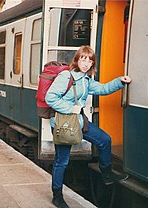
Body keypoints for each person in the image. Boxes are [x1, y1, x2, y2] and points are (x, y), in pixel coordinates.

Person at [45, 45, 132, 208]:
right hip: (63, 123)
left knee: (104, 140)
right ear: (77, 60)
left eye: (89, 60)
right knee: (61, 161)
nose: (86, 63)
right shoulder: (66, 76)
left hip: (79, 122)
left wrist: (120, 81)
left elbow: (103, 89)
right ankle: (57, 196)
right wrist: (71, 109)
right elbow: (51, 98)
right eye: (83, 59)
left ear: (93, 64)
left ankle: (106, 174)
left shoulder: (86, 80)